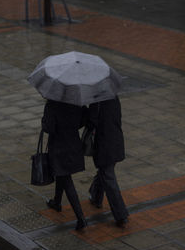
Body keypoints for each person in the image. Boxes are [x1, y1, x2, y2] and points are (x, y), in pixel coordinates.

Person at [42, 100, 87, 231]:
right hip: (73, 144)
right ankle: (56, 202)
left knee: (66, 180)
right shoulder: (76, 102)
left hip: (59, 147)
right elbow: (84, 119)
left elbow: (48, 128)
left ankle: (80, 218)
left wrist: (43, 120)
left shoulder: (52, 104)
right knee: (61, 173)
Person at [88, 96, 129, 227]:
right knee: (105, 171)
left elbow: (91, 121)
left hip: (104, 144)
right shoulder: (114, 97)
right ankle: (96, 196)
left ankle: (121, 214)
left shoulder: (97, 101)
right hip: (116, 140)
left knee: (108, 177)